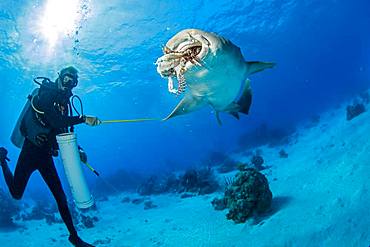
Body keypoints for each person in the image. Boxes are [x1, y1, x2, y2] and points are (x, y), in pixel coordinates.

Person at [0, 66, 100, 247]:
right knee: (16, 193)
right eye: (67, 78)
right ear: (60, 77)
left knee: (60, 196)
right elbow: (56, 121)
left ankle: (74, 237)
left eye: (73, 81)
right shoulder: (46, 93)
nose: (69, 84)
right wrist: (84, 118)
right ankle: (2, 161)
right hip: (31, 150)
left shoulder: (63, 105)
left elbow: (61, 130)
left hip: (45, 154)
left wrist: (78, 151)